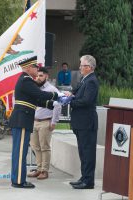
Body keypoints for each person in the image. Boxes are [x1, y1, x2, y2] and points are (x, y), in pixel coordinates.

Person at [9, 56, 62, 189]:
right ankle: (19, 181)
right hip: (22, 119)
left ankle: (17, 178)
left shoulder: (25, 81)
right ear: (27, 68)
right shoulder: (26, 80)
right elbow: (40, 95)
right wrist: (58, 95)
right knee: (20, 151)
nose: (36, 69)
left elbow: (36, 100)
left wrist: (51, 104)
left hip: (22, 119)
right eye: (34, 67)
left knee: (19, 151)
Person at [68, 55, 99, 189]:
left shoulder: (91, 81)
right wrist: (70, 95)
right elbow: (77, 94)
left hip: (86, 122)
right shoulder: (84, 79)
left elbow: (86, 101)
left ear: (89, 67)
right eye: (80, 65)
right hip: (80, 122)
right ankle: (84, 177)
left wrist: (71, 101)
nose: (80, 67)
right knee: (83, 152)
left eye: (82, 65)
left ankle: (88, 181)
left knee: (88, 152)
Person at [27, 67, 62, 180]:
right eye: (37, 76)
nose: (38, 78)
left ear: (46, 76)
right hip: (34, 122)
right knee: (35, 147)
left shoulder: (52, 89)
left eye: (41, 75)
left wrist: (54, 122)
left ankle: (44, 171)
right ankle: (38, 169)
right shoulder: (34, 89)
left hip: (45, 122)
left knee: (44, 147)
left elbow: (58, 105)